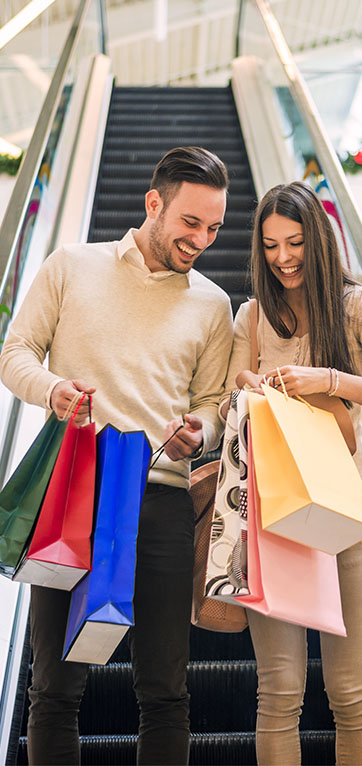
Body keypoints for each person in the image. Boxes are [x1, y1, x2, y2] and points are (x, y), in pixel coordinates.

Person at [0, 146, 234, 765]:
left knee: (165, 691)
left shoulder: (213, 304)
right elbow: (14, 351)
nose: (202, 240)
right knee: (54, 687)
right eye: (191, 223)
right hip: (73, 490)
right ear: (154, 203)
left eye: (214, 228)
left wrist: (201, 430)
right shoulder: (71, 265)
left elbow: (213, 402)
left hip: (161, 502)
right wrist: (52, 389)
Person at [222, 181, 362, 765]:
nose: (283, 258)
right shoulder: (252, 315)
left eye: (297, 242)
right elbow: (232, 388)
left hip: (348, 510)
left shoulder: (359, 305)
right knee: (278, 691)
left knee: (351, 692)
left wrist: (326, 380)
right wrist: (250, 386)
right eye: (272, 245)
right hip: (273, 513)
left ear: (320, 241)